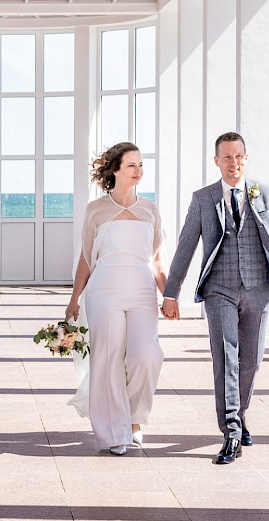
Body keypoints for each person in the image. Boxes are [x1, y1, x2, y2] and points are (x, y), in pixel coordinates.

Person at [161, 131, 269, 465]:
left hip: (259, 289)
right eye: (227, 157)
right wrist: (170, 293)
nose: (234, 163)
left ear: (246, 158)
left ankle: (240, 414)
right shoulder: (203, 199)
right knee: (226, 360)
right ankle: (231, 432)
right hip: (219, 289)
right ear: (217, 161)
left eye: (239, 157)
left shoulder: (266, 193)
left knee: (253, 361)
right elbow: (186, 246)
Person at [65, 142, 168, 456]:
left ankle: (135, 420)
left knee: (145, 356)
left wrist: (170, 294)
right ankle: (115, 433)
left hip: (142, 290)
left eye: (140, 165)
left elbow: (158, 259)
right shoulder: (95, 210)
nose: (138, 171)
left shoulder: (150, 210)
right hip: (104, 290)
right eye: (131, 166)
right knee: (107, 359)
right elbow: (86, 259)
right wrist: (74, 299)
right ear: (115, 170)